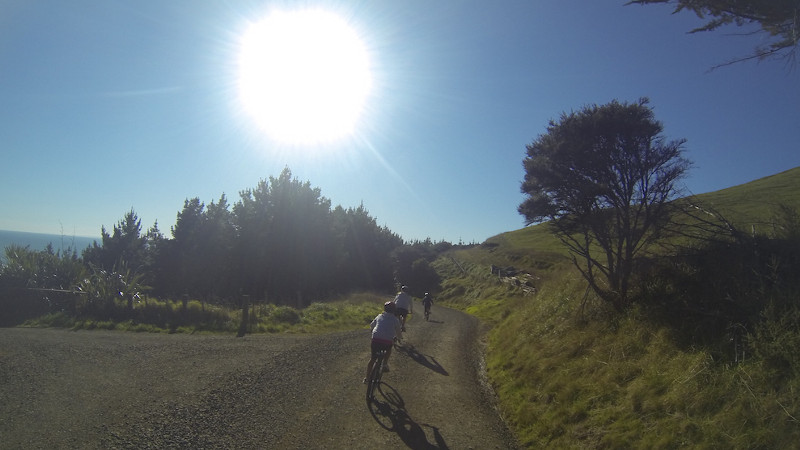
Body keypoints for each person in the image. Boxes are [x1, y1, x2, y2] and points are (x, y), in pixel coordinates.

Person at [364, 301, 403, 383]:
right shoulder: (395, 319)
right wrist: (399, 338)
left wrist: (372, 331)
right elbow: (398, 331)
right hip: (387, 341)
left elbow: (371, 325)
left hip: (376, 339)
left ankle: (367, 378)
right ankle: (385, 363)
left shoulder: (379, 316)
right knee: (389, 348)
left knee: (372, 359)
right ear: (394, 310)